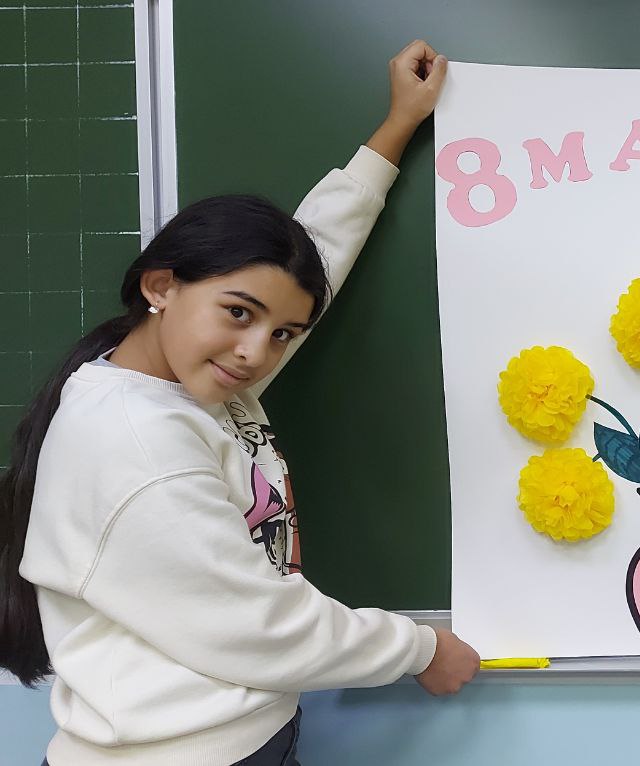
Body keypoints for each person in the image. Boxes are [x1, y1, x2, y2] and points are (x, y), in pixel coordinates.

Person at [0, 40, 480, 765]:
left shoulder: (178, 381)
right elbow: (259, 625)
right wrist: (418, 649)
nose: (257, 351)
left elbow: (312, 256)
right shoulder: (138, 441)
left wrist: (396, 128)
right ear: (160, 286)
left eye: (282, 333)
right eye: (238, 314)